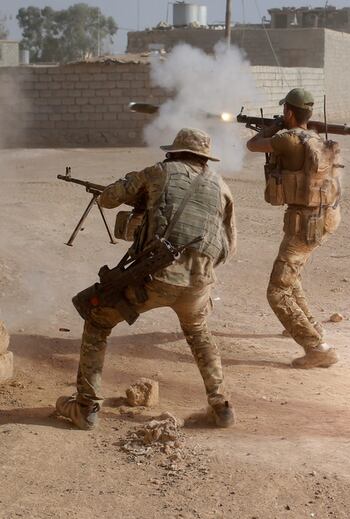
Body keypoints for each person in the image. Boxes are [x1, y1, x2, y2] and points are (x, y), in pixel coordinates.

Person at [55, 128, 237, 430]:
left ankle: (85, 407)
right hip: (199, 283)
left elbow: (109, 198)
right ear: (204, 159)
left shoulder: (158, 173)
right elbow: (228, 248)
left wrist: (139, 197)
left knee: (98, 318)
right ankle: (221, 405)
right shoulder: (222, 187)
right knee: (198, 332)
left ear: (174, 153)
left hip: (154, 278)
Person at [246, 88, 341, 369]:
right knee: (291, 276)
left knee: (277, 290)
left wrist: (273, 127)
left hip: (304, 223)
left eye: (284, 113)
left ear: (288, 112)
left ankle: (317, 347)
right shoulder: (315, 140)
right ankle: (306, 326)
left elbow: (253, 144)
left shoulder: (286, 139)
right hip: (322, 218)